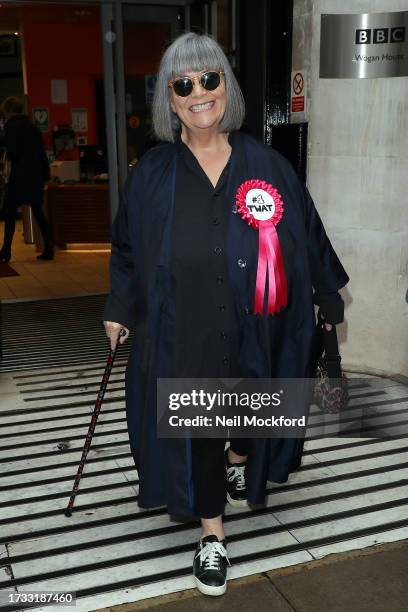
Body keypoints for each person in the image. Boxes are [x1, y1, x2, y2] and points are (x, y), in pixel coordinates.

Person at [103, 32, 349, 597]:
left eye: (208, 78)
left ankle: (240, 453)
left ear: (226, 86)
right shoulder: (152, 174)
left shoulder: (267, 164)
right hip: (182, 326)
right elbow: (127, 248)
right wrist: (120, 308)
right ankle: (211, 534)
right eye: (183, 83)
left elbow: (304, 228)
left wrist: (327, 290)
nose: (198, 92)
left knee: (250, 410)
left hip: (257, 323)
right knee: (198, 424)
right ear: (170, 99)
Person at [0, 97, 53, 262]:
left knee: (9, 214)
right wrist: (45, 175)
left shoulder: (10, 127)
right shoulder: (33, 127)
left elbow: (13, 151)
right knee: (39, 213)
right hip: (35, 176)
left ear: (8, 111)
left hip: (18, 177)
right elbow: (41, 154)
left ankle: (6, 251)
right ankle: (49, 249)